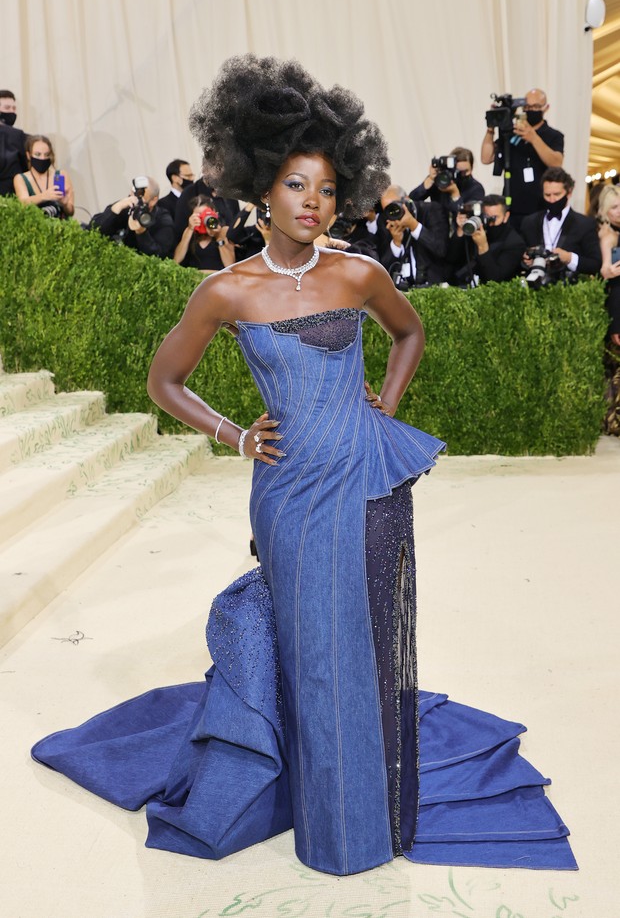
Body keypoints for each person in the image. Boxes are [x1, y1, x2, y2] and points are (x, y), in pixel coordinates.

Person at [32, 54, 576, 877]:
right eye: (295, 185)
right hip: (287, 494)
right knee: (312, 652)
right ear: (262, 190)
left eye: (325, 189)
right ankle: (324, 816)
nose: (313, 203)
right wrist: (234, 435)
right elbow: (162, 381)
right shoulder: (227, 291)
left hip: (368, 482)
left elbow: (411, 334)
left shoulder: (359, 272)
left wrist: (384, 406)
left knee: (364, 648)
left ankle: (371, 816)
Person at [481, 88, 564, 230]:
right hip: (512, 207)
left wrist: (533, 138)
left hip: (539, 207)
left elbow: (556, 163)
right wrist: (491, 129)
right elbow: (486, 158)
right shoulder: (512, 134)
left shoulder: (553, 135)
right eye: (527, 107)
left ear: (546, 108)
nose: (530, 110)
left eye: (535, 106)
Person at [520, 167, 601, 278]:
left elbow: (595, 264)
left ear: (569, 193)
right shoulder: (529, 223)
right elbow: (519, 258)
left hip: (569, 289)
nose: (552, 200)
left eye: (557, 194)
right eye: (547, 195)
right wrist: (526, 261)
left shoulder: (585, 224)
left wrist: (569, 258)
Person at [447, 194, 526, 286]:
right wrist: (461, 229)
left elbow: (495, 279)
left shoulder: (514, 243)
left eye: (494, 218)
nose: (489, 222)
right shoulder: (477, 228)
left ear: (506, 216)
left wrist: (482, 247)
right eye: (486, 217)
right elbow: (451, 258)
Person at [379, 184, 449, 286]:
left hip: (433, 287)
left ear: (406, 199)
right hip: (403, 288)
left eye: (394, 206)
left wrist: (414, 225)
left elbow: (441, 248)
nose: (392, 212)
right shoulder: (386, 221)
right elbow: (383, 265)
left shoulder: (430, 210)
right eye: (387, 210)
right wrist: (396, 242)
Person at [90, 176, 175, 259]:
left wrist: (141, 232)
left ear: (153, 200)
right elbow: (93, 231)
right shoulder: (125, 207)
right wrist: (115, 209)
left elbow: (160, 256)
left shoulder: (163, 219)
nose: (135, 201)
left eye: (140, 198)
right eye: (132, 196)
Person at [597, 184, 620, 434]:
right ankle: (611, 424)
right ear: (605, 210)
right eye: (614, 207)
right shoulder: (608, 234)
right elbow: (606, 270)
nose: (619, 211)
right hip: (615, 304)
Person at [409, 146, 485, 218]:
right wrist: (430, 180)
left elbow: (468, 218)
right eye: (457, 171)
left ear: (471, 168)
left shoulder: (476, 188)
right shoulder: (441, 180)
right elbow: (411, 201)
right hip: (438, 226)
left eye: (464, 172)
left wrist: (455, 194)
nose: (459, 175)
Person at [13, 134, 75, 218]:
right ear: (28, 155)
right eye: (38, 154)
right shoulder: (21, 178)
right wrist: (44, 196)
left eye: (46, 155)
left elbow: (70, 211)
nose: (42, 158)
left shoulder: (61, 175)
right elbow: (23, 203)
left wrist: (64, 204)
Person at [173, 194, 236, 272]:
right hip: (195, 279)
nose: (203, 219)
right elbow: (176, 260)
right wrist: (190, 229)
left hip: (217, 279)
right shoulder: (190, 231)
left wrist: (218, 237)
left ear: (215, 213)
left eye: (205, 214)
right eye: (199, 215)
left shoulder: (223, 231)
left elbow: (230, 265)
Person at [0, 89, 28, 196]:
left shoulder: (20, 136)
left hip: (14, 196)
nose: (12, 111)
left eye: (14, 108)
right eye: (7, 108)